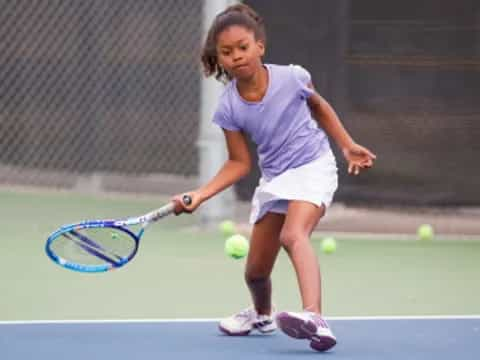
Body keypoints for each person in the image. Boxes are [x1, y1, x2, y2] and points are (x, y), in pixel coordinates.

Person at [174, 3, 376, 352]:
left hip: (314, 165)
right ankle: (262, 315)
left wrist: (346, 145)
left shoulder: (293, 76)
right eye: (227, 52)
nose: (236, 56)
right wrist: (201, 194)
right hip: (275, 178)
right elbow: (239, 163)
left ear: (259, 47)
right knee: (255, 272)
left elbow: (318, 105)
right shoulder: (228, 107)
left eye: (242, 47)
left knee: (293, 234)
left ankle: (315, 317)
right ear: (219, 59)